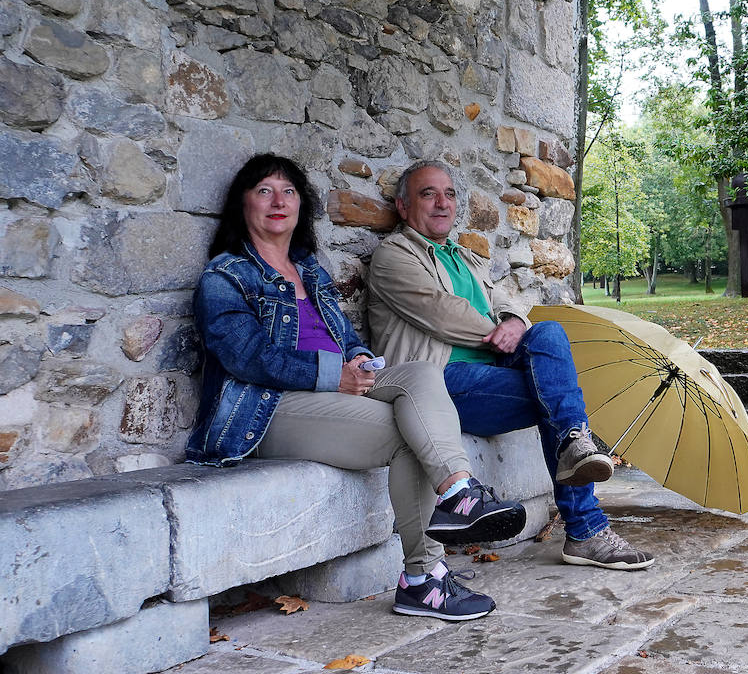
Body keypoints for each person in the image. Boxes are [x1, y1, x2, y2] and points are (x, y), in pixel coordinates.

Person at [186, 153, 527, 623]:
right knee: (409, 436)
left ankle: (458, 492)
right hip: (264, 410)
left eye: (288, 192)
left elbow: (342, 337)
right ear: (242, 204)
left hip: (332, 392)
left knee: (421, 374)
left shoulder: (308, 271)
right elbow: (246, 357)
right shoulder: (225, 277)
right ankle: (423, 578)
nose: (278, 201)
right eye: (264, 191)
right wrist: (334, 375)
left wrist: (360, 360)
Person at [366, 160, 655, 570]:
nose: (442, 203)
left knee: (549, 332)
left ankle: (574, 443)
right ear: (403, 205)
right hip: (438, 382)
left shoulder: (464, 257)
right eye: (428, 194)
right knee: (557, 395)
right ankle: (586, 529)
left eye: (449, 194)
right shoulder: (394, 255)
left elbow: (508, 302)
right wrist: (499, 331)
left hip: (491, 373)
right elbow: (441, 313)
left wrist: (517, 321)